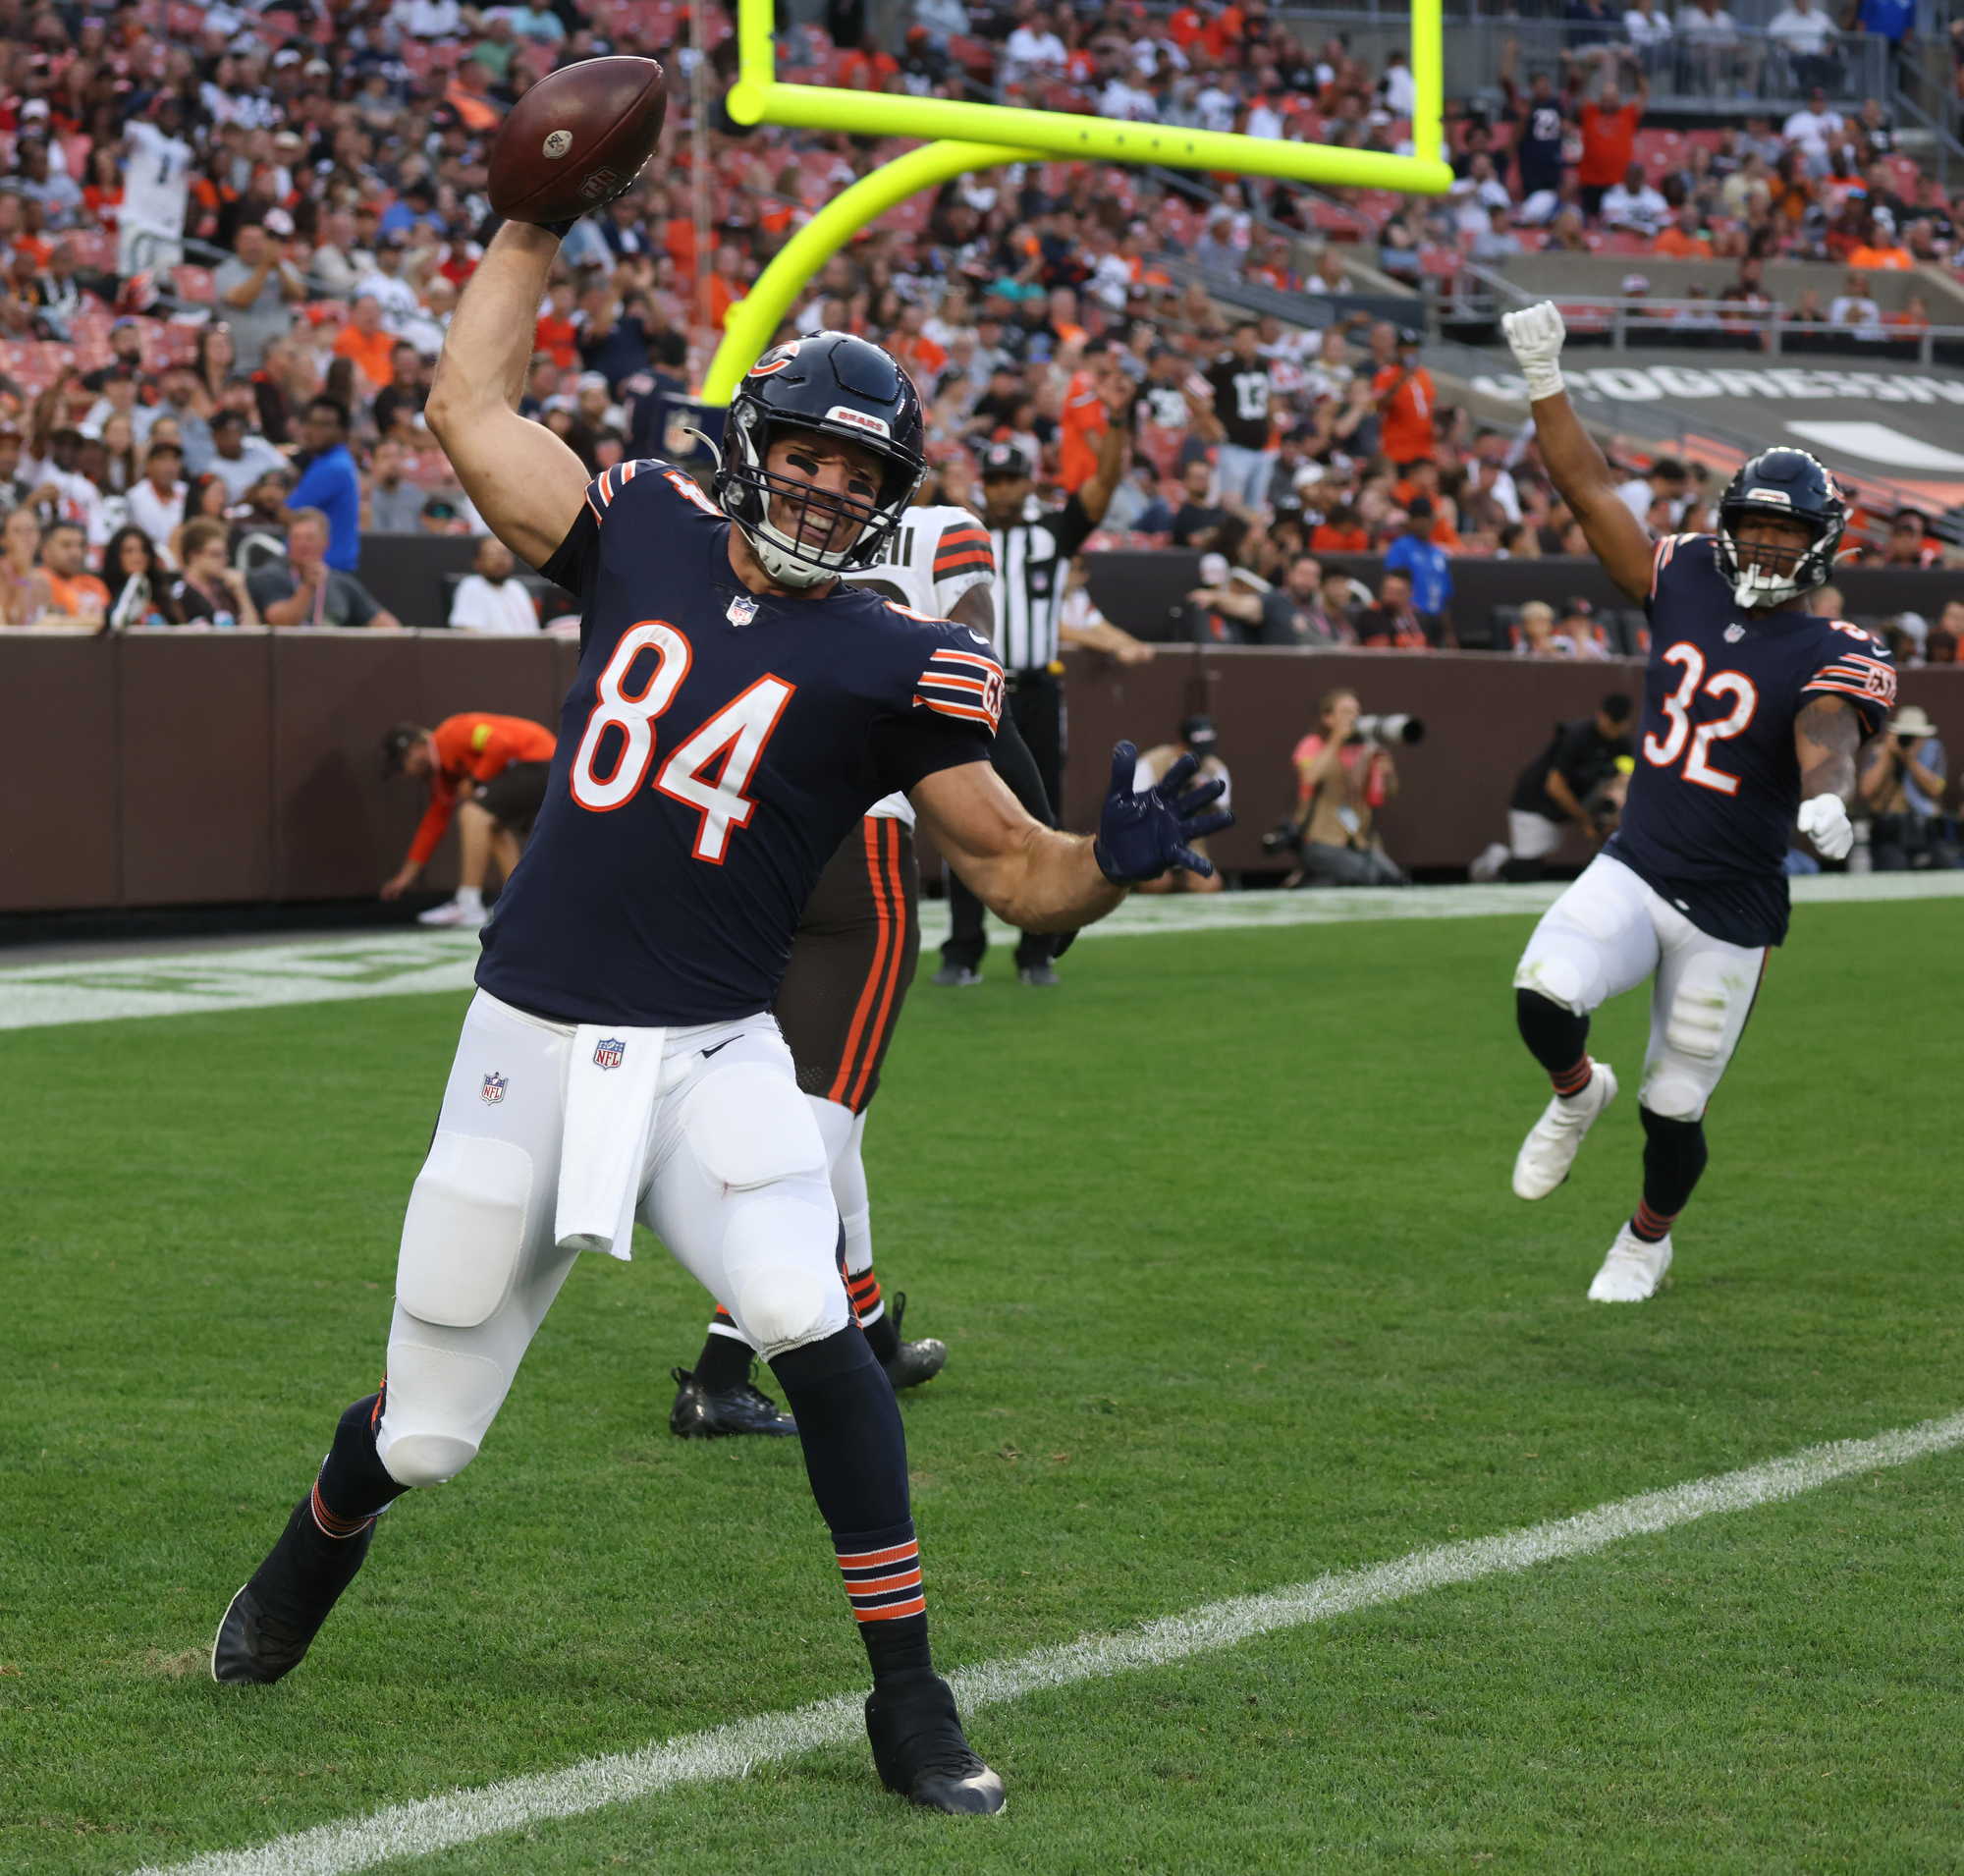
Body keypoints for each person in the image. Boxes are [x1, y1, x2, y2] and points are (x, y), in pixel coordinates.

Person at [209, 220, 1228, 1833]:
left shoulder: (905, 661)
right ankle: (311, 1546)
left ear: (890, 506)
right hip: (528, 1038)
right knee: (431, 1434)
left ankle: (909, 1699)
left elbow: (1024, 877)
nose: (825, 491)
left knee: (811, 1325)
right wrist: (533, 227)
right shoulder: (647, 528)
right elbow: (471, 412)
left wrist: (1121, 861)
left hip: (709, 1051)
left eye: (857, 474)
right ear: (750, 451)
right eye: (806, 458)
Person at [1499, 300, 1895, 1303]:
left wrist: (1826, 795)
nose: (1763, 547)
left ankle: (1644, 1237)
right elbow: (1585, 487)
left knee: (1672, 1106)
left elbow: (1827, 733)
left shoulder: (1838, 647)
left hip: (1728, 906)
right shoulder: (1678, 574)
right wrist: (1544, 375)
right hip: (1636, 863)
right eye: (1753, 527)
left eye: (1782, 532)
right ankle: (1570, 1088)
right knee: (1541, 989)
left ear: (1817, 543)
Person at [669, 493, 1013, 1435]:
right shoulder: (947, 529)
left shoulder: (764, 518)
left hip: (752, 826)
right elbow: (977, 659)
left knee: (832, 1122)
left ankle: (866, 1337)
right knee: (814, 1130)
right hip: (859, 840)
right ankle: (719, 1372)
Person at [934, 414, 1132, 989]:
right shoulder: (958, 532)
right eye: (992, 482)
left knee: (1043, 813)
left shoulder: (1051, 533)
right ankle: (963, 949)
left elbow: (1103, 488)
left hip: (1039, 692)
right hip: (977, 688)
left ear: (1027, 483)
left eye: (1011, 480)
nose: (1002, 490)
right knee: (960, 814)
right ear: (982, 486)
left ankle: (1036, 949)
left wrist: (1117, 422)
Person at [380, 713, 559, 924]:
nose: (404, 775)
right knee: (491, 824)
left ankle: (468, 902)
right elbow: (433, 823)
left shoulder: (452, 734)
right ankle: (522, 901)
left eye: (401, 766)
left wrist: (474, 780)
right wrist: (406, 876)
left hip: (542, 761)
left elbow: (501, 744)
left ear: (416, 748)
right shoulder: (443, 775)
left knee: (472, 813)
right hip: (534, 766)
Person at [1473, 694, 1636, 881]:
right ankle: (1497, 862)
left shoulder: (1623, 745)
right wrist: (1585, 820)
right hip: (1537, 803)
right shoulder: (1577, 737)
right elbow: (1555, 786)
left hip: (1582, 802)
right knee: (1526, 872)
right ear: (1600, 715)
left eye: (1618, 724)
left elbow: (1626, 782)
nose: (1613, 730)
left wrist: (1612, 817)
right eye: (1610, 723)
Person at [1283, 689, 1406, 885]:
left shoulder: (1363, 749)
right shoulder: (1312, 744)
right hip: (1320, 839)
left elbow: (1389, 792)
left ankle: (1313, 879)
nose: (1354, 717)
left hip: (1357, 838)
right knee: (1366, 877)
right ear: (1328, 718)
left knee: (1394, 879)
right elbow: (1310, 778)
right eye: (1346, 712)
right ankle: (1305, 882)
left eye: (1356, 711)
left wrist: (1389, 773)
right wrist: (1336, 740)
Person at [248, 509, 403, 631]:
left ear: (325, 542)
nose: (302, 544)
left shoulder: (340, 583)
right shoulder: (272, 576)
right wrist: (309, 587)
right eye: (296, 538)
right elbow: (281, 623)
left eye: (310, 538)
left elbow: (389, 627)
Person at [1132, 718, 1229, 893]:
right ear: (1180, 744)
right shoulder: (1152, 763)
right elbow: (1133, 808)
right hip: (1153, 841)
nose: (1200, 757)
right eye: (1193, 751)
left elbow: (1222, 812)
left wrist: (1204, 796)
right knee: (1157, 883)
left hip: (1191, 843)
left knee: (1209, 885)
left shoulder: (1214, 769)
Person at [1861, 702, 1954, 868]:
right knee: (1893, 865)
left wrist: (1909, 760)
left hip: (1926, 829)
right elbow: (1867, 790)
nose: (1911, 740)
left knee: (1946, 862)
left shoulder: (1933, 752)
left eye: (1916, 736)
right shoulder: (1881, 753)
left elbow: (1936, 789)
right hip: (1891, 831)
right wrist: (1888, 755)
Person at [214, 217, 307, 372]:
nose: (254, 246)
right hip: (240, 362)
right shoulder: (225, 272)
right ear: (237, 243)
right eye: (248, 240)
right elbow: (242, 299)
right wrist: (264, 266)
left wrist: (277, 265)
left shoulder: (283, 267)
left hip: (279, 361)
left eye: (258, 240)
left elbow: (299, 294)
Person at [1203, 320, 1276, 511]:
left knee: (1256, 508)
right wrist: (1211, 421)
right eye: (1241, 339)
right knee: (1231, 505)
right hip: (1233, 447)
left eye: (1251, 339)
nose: (1246, 344)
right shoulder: (1224, 366)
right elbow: (1194, 390)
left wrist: (1271, 419)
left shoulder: (1263, 366)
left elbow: (1266, 397)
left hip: (1260, 448)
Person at [284, 397, 362, 571]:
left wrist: (268, 499)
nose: (315, 430)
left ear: (343, 432)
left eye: (325, 425)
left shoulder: (333, 467)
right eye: (311, 423)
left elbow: (290, 515)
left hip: (327, 570)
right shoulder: (329, 460)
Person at [1383, 500, 1455, 645]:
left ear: (1432, 521)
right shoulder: (1400, 547)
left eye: (1426, 518)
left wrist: (1449, 632)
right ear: (1410, 521)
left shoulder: (1438, 553)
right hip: (1413, 619)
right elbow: (1394, 585)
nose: (1422, 523)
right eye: (1418, 518)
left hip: (1436, 620)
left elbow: (1443, 597)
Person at [447, 534, 540, 634]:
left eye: (505, 554)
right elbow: (466, 631)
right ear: (477, 562)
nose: (500, 560)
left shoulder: (517, 588)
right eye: (492, 554)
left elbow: (534, 632)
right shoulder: (472, 586)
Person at [1372, 328, 1436, 469]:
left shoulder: (1423, 375)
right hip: (1397, 449)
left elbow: (1428, 407)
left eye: (1414, 348)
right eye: (1406, 348)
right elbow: (1378, 406)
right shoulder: (1386, 374)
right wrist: (1400, 381)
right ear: (1398, 349)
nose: (1410, 352)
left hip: (1424, 450)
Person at [36, 520, 109, 626]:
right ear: (45, 550)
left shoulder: (96, 584)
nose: (76, 553)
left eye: (81, 545)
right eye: (66, 545)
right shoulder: (37, 582)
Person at [127, 439, 188, 558]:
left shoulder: (186, 491)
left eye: (174, 460)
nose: (169, 467)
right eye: (163, 460)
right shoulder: (137, 496)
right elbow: (155, 538)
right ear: (149, 465)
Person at [103, 524, 169, 631]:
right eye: (129, 551)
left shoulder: (162, 594)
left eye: (143, 550)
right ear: (116, 555)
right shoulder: (103, 592)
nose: (138, 557)